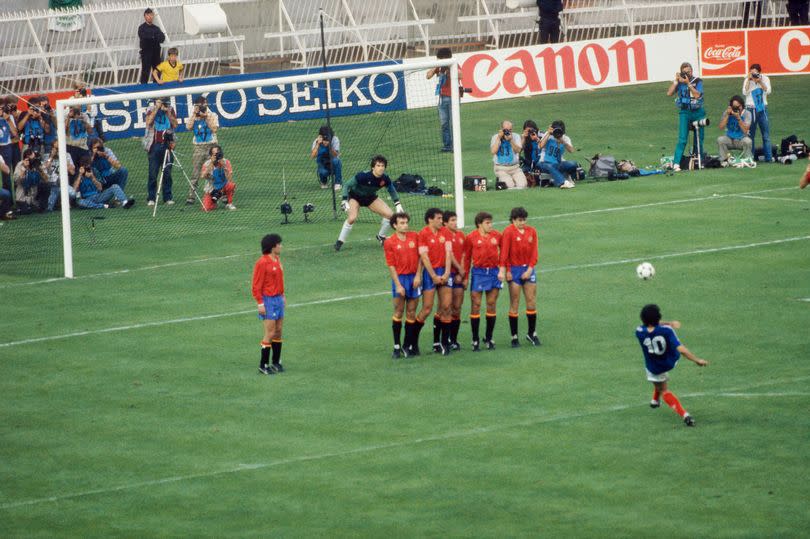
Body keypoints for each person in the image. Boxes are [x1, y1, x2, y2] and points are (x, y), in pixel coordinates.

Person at [635, 304, 708, 427]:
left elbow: (649, 325)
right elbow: (682, 350)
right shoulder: (667, 331)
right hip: (670, 361)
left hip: (654, 368)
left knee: (663, 388)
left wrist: (666, 323)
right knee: (661, 383)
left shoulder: (639, 331)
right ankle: (656, 401)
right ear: (658, 318)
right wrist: (697, 360)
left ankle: (685, 415)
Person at [334, 154, 403, 251]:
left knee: (390, 215)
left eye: (383, 166)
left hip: (370, 198)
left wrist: (397, 204)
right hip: (355, 197)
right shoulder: (363, 176)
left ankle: (381, 236)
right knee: (352, 218)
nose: (381, 168)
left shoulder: (385, 178)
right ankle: (340, 241)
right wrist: (344, 200)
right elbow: (346, 185)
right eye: (378, 165)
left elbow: (391, 190)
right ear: (373, 167)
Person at [499, 207, 541, 348]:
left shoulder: (532, 231)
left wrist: (530, 269)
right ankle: (514, 337)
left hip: (528, 269)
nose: (522, 223)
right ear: (513, 220)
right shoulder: (508, 232)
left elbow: (534, 252)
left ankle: (531, 333)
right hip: (514, 271)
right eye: (519, 220)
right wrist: (508, 270)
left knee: (531, 302)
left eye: (524, 220)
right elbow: (504, 253)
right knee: (515, 303)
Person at [415, 208, 454, 357]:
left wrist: (446, 273)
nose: (441, 220)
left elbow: (448, 253)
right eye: (438, 218)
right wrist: (433, 276)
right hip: (430, 274)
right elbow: (424, 257)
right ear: (430, 219)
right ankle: (413, 342)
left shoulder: (445, 232)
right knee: (427, 308)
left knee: (446, 307)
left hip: (444, 272)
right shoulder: (423, 234)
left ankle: (444, 343)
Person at [383, 212, 423, 359]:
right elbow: (391, 266)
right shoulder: (390, 242)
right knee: (399, 311)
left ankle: (407, 345)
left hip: (414, 279)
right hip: (400, 279)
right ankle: (396, 346)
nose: (405, 225)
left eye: (406, 222)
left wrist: (418, 275)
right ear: (395, 225)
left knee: (411, 312)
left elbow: (421, 258)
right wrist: (398, 285)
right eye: (402, 223)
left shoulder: (415, 236)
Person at [464, 211, 503, 351]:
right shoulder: (471, 237)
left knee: (491, 304)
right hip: (479, 273)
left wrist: (503, 269)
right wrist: (466, 277)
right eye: (487, 223)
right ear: (479, 224)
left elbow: (504, 253)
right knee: (476, 304)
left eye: (491, 222)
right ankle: (475, 339)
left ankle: (489, 337)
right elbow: (467, 258)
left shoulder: (497, 236)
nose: (490, 225)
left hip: (493, 272)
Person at [252, 234, 286, 375]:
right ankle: (263, 364)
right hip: (268, 300)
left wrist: (283, 295)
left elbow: (280, 279)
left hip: (278, 299)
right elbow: (256, 285)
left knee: (278, 330)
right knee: (270, 332)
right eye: (279, 244)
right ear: (273, 246)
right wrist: (260, 303)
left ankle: (276, 362)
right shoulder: (262, 263)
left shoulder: (277, 260)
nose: (281, 246)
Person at [666, 62, 706, 171]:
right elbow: (669, 93)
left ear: (692, 71)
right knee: (682, 138)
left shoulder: (697, 81)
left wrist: (688, 83)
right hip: (685, 112)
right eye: (684, 72)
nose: (687, 74)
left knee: (699, 138)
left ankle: (699, 160)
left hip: (698, 112)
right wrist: (676, 81)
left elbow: (698, 95)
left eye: (688, 72)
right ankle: (676, 163)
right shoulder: (679, 83)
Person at [184, 96, 219, 204]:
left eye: (200, 105)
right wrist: (194, 115)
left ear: (205, 104)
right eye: (197, 105)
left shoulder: (212, 114)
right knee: (195, 173)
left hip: (211, 146)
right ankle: (191, 196)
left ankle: (219, 194)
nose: (199, 107)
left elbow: (214, 129)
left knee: (214, 171)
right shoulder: (194, 115)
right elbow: (188, 127)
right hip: (198, 147)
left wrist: (206, 117)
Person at [144, 98, 178, 205]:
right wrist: (157, 108)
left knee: (167, 172)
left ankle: (167, 197)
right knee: (153, 173)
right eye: (160, 101)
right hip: (154, 145)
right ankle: (151, 198)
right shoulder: (150, 109)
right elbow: (148, 122)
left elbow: (175, 124)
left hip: (167, 145)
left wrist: (167, 112)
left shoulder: (170, 109)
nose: (163, 103)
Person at [443, 210, 466, 351]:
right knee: (445, 307)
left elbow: (464, 254)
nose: (455, 223)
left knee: (457, 307)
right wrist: (459, 269)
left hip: (458, 275)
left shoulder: (461, 235)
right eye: (452, 220)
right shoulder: (444, 235)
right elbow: (449, 254)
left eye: (455, 220)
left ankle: (453, 339)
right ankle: (440, 340)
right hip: (448, 274)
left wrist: (462, 272)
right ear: (445, 223)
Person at [742, 64, 773, 163]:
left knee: (766, 135)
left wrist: (760, 81)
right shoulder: (747, 79)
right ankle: (751, 157)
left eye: (755, 72)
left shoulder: (765, 78)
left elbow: (768, 91)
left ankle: (768, 158)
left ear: (760, 72)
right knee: (750, 135)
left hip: (762, 109)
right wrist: (749, 80)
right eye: (752, 72)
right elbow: (744, 92)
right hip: (750, 109)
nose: (753, 74)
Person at [425, 47, 454, 153]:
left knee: (453, 124)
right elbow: (428, 76)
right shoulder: (439, 67)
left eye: (439, 59)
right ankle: (447, 146)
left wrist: (449, 71)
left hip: (453, 98)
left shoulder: (453, 65)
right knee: (444, 123)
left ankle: (455, 146)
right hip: (442, 98)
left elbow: (461, 75)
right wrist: (436, 67)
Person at [538, 120, 576, 189]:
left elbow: (571, 150)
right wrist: (549, 133)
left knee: (573, 164)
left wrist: (563, 142)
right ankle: (564, 182)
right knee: (549, 166)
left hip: (558, 163)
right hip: (544, 162)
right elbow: (540, 146)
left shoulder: (565, 138)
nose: (557, 133)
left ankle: (556, 180)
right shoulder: (548, 135)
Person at [490, 120, 528, 189]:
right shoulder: (495, 137)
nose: (508, 132)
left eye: (510, 130)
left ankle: (509, 179)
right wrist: (499, 138)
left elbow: (518, 150)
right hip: (501, 168)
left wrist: (511, 140)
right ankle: (502, 180)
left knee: (523, 185)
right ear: (502, 129)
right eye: (506, 130)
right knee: (510, 186)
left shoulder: (516, 136)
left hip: (515, 167)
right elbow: (493, 151)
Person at [717, 95, 753, 165]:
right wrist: (727, 115)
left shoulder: (747, 114)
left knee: (748, 141)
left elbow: (745, 131)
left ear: (742, 106)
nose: (737, 109)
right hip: (729, 139)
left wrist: (738, 118)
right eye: (734, 107)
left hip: (741, 139)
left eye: (738, 106)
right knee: (720, 140)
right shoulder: (727, 112)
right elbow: (721, 127)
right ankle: (724, 160)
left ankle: (748, 160)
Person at [200, 144, 237, 211]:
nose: (217, 156)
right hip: (212, 188)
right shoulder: (207, 164)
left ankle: (229, 203)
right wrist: (211, 163)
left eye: (218, 154)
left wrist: (224, 166)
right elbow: (202, 176)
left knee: (231, 185)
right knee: (206, 208)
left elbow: (230, 179)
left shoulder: (226, 162)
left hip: (224, 186)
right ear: (211, 155)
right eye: (214, 154)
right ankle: (215, 201)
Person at [45, 143, 77, 211]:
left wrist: (65, 160)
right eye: (56, 148)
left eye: (59, 149)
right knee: (49, 208)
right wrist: (51, 157)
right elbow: (46, 168)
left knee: (73, 194)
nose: (57, 150)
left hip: (63, 184)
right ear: (52, 148)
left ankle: (63, 202)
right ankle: (59, 202)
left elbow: (72, 172)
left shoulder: (67, 155)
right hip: (51, 184)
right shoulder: (47, 156)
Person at [310, 125, 342, 190]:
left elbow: (336, 155)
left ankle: (338, 183)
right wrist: (318, 144)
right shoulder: (316, 141)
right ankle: (324, 182)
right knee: (322, 172)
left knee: (337, 161)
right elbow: (312, 156)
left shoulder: (335, 139)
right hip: (322, 163)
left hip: (332, 161)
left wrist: (329, 146)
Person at [138, 8, 166, 84]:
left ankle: (156, 89)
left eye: (151, 15)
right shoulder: (141, 28)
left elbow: (162, 38)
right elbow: (144, 37)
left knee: (157, 71)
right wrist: (154, 37)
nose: (150, 16)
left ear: (153, 16)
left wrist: (151, 37)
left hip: (156, 53)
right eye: (148, 15)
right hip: (146, 53)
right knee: (145, 72)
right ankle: (143, 91)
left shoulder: (156, 28)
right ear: (144, 16)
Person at [65, 105, 92, 173]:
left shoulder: (85, 116)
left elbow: (90, 131)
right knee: (74, 170)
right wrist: (68, 117)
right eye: (73, 109)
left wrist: (83, 121)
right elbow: (64, 131)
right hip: (71, 147)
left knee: (87, 168)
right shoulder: (65, 116)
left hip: (83, 147)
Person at [0, 101, 19, 192]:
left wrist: (8, 120)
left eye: (3, 108)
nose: (2, 111)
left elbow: (15, 134)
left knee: (6, 174)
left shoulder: (9, 117)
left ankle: (9, 201)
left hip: (6, 147)